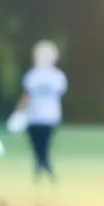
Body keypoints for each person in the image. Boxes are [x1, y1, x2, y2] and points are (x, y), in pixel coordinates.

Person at [16, 40, 67, 182]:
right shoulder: (41, 75)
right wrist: (20, 113)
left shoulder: (52, 76)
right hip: (39, 116)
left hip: (46, 116)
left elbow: (26, 96)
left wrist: (19, 112)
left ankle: (42, 168)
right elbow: (27, 95)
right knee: (39, 145)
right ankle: (43, 167)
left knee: (43, 145)